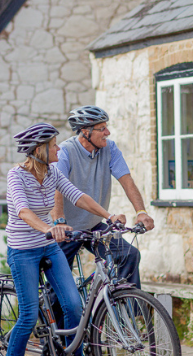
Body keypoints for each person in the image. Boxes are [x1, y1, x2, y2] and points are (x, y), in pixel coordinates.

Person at [0, 123, 126, 356]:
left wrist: (109, 215)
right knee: (29, 316)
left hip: (49, 247)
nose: (59, 148)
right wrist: (46, 228)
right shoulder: (16, 176)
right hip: (23, 251)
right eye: (55, 145)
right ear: (39, 149)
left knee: (73, 305)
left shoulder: (53, 172)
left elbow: (77, 197)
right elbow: (22, 210)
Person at [51, 105, 154, 289]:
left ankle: (127, 313)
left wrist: (141, 211)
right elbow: (56, 188)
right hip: (66, 230)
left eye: (106, 127)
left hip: (93, 225)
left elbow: (127, 181)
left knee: (128, 255)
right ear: (85, 131)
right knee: (59, 287)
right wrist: (59, 222)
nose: (107, 132)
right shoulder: (65, 151)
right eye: (101, 128)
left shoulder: (110, 148)